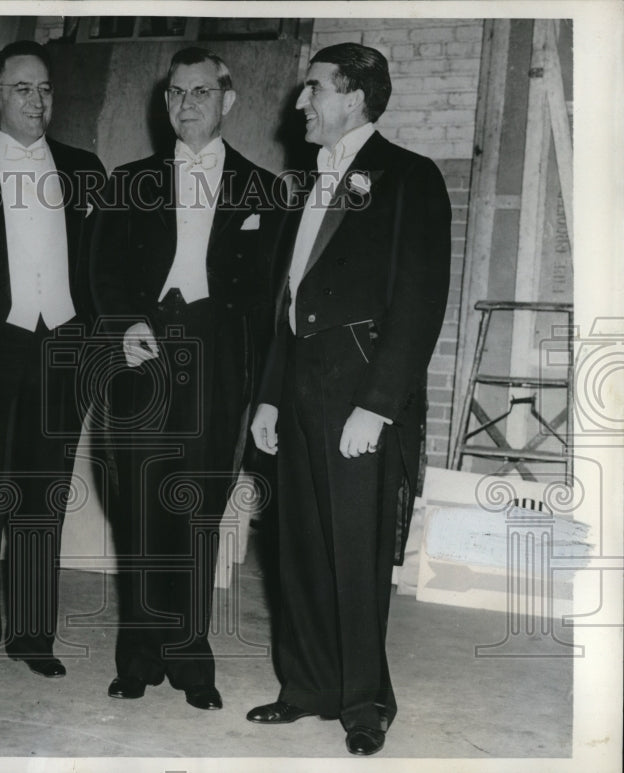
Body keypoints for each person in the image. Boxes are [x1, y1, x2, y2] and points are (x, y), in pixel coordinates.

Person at [247, 43, 452, 755]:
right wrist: (269, 397)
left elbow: (420, 302)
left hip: (359, 399)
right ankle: (305, 684)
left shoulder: (409, 177)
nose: (299, 103)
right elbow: (288, 302)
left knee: (355, 553)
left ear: (354, 96)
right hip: (298, 394)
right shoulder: (305, 182)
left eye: (313, 90)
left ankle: (365, 700)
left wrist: (380, 404)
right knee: (296, 546)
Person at [90, 47, 282, 712]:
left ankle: (190, 656)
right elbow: (102, 273)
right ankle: (138, 655)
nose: (187, 104)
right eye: (176, 93)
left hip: (218, 361)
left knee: (199, 510)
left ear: (228, 100)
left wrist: (264, 389)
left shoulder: (263, 187)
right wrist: (119, 326)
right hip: (142, 358)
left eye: (201, 92)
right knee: (139, 509)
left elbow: (267, 299)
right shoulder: (128, 179)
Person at [0, 40, 106, 682]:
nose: (37, 102)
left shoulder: (87, 169)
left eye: (45, 90)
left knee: (43, 503)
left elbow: (102, 269)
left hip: (61, 354)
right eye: (23, 89)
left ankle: (34, 637)